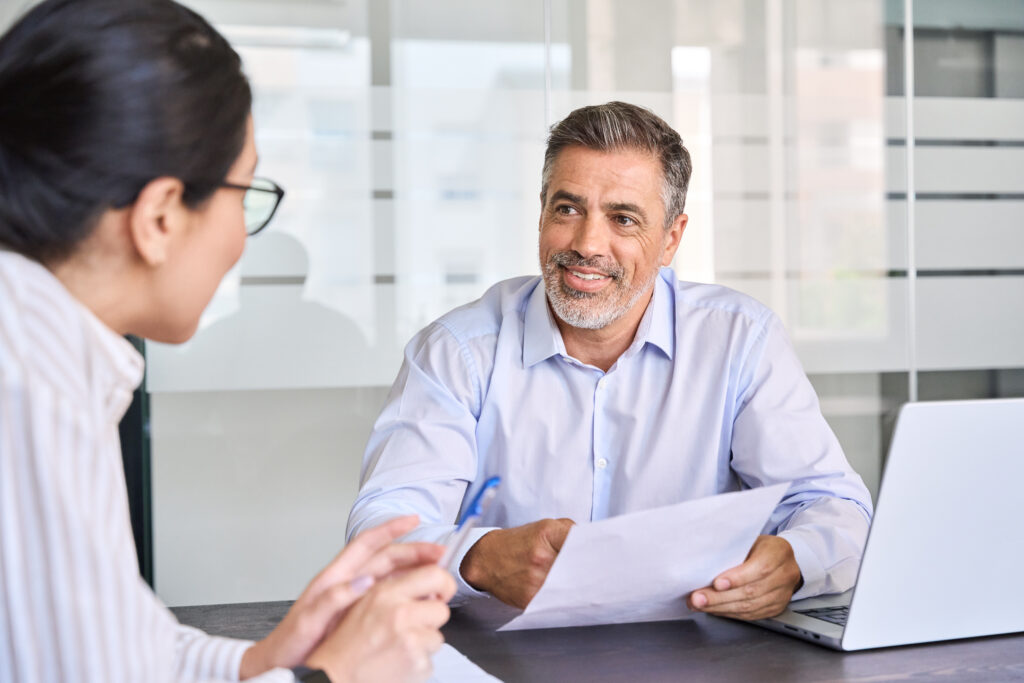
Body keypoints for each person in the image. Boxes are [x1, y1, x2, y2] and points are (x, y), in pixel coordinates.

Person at [0, 1, 454, 682]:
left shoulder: (54, 350)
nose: (243, 239)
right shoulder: (26, 384)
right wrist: (334, 675)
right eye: (244, 194)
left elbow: (126, 649)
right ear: (158, 217)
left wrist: (264, 657)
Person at [347, 101, 873, 621]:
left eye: (623, 219)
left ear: (671, 239)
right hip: (502, 656)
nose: (587, 244)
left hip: (697, 655)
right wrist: (477, 558)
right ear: (542, 211)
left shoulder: (739, 340)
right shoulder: (456, 350)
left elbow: (834, 505)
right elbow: (381, 529)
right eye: (568, 208)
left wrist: (796, 561)